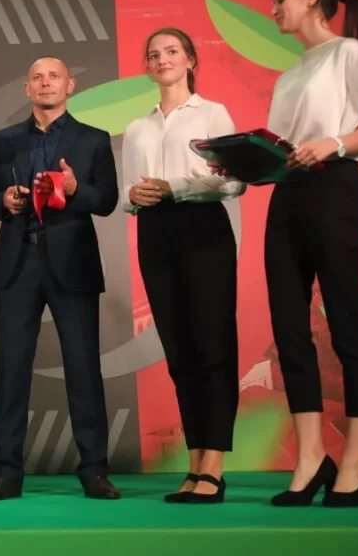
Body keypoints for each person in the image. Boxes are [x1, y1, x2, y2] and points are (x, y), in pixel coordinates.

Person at [264, 0, 358, 507]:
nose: (274, 10)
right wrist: (245, 162)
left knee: (346, 323)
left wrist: (331, 144)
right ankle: (311, 457)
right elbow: (282, 146)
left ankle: (357, 460)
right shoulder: (288, 75)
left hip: (336, 188)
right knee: (289, 329)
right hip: (286, 196)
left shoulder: (353, 54)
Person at [0, 56, 120, 500]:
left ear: (69, 85)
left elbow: (107, 200)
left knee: (84, 367)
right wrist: (5, 201)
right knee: (12, 370)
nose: (45, 83)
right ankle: (7, 472)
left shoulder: (93, 139)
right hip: (18, 261)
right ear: (27, 89)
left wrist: (75, 190)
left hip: (72, 262)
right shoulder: (4, 140)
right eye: (37, 78)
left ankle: (94, 469)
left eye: (54, 76)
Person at [121, 28, 244, 504]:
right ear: (147, 67)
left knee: (213, 346)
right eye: (153, 54)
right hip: (155, 233)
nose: (162, 59)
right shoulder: (137, 127)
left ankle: (214, 466)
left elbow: (233, 184)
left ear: (191, 59)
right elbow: (126, 194)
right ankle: (195, 464)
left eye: (172, 51)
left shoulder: (213, 114)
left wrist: (176, 186)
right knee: (179, 352)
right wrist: (133, 195)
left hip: (203, 230)